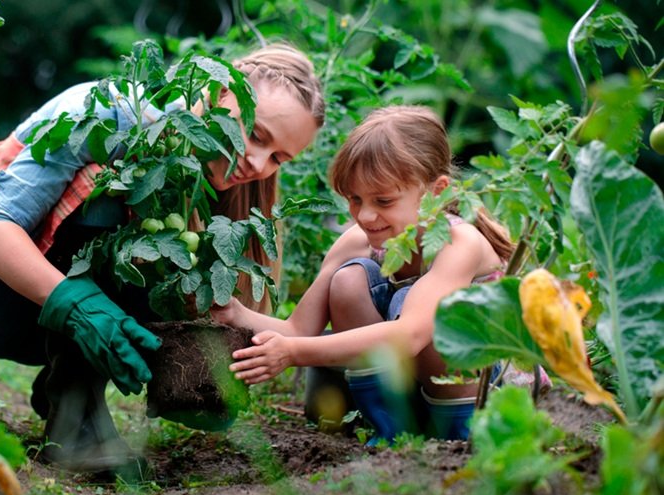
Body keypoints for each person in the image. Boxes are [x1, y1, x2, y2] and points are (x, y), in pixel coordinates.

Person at [0, 43, 325, 474]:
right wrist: (77, 305)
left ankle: (69, 398)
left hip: (37, 319)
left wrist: (201, 363)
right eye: (254, 135)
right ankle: (78, 424)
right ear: (219, 94)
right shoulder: (114, 116)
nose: (257, 162)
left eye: (279, 158)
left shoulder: (218, 179)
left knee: (167, 242)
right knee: (112, 187)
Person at [212, 105, 515, 443]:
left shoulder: (460, 243)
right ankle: (390, 431)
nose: (366, 216)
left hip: (482, 397)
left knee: (433, 314)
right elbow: (298, 329)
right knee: (347, 281)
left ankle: (457, 437)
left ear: (436, 191)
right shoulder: (358, 241)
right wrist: (234, 313)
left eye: (383, 201)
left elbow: (411, 335)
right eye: (355, 199)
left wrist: (292, 353)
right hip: (410, 389)